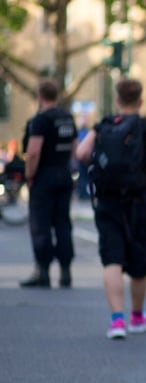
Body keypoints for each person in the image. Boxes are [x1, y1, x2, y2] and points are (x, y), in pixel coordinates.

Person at [75, 78, 146, 338]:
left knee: (112, 258)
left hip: (107, 200)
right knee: (139, 261)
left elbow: (82, 153)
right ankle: (137, 317)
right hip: (139, 200)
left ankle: (117, 320)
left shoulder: (103, 126)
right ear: (140, 101)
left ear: (117, 100)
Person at [20, 79, 78, 289]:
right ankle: (65, 271)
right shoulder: (67, 118)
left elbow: (33, 151)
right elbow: (74, 148)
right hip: (63, 174)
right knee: (63, 223)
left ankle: (42, 271)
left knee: (41, 224)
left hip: (44, 176)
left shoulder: (41, 120)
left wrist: (29, 175)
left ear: (40, 96)